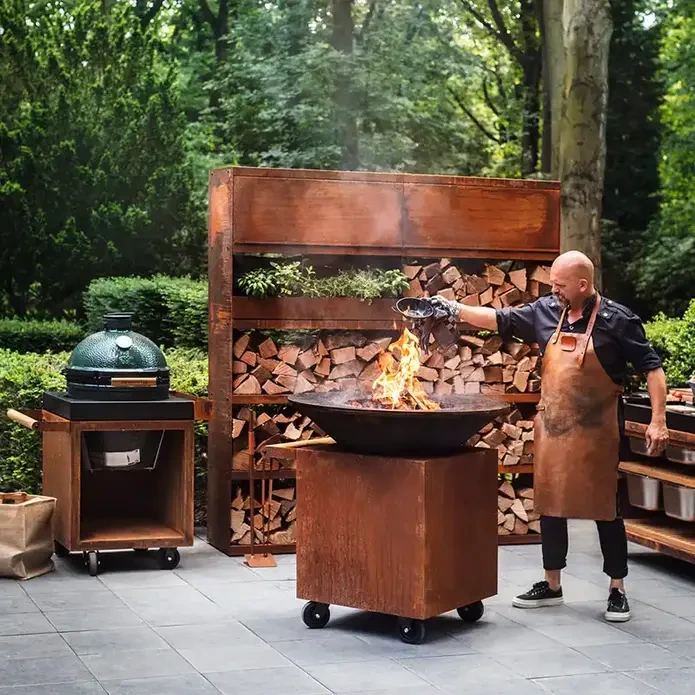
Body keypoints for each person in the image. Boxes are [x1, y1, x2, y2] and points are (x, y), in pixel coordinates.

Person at [428, 250, 669, 622]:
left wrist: (658, 420)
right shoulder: (546, 312)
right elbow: (499, 319)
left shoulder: (617, 321)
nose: (552, 289)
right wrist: (452, 309)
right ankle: (552, 583)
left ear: (582, 285)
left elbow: (653, 369)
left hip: (598, 431)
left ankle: (617, 588)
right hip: (553, 427)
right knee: (550, 504)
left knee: (606, 509)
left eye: (560, 285)